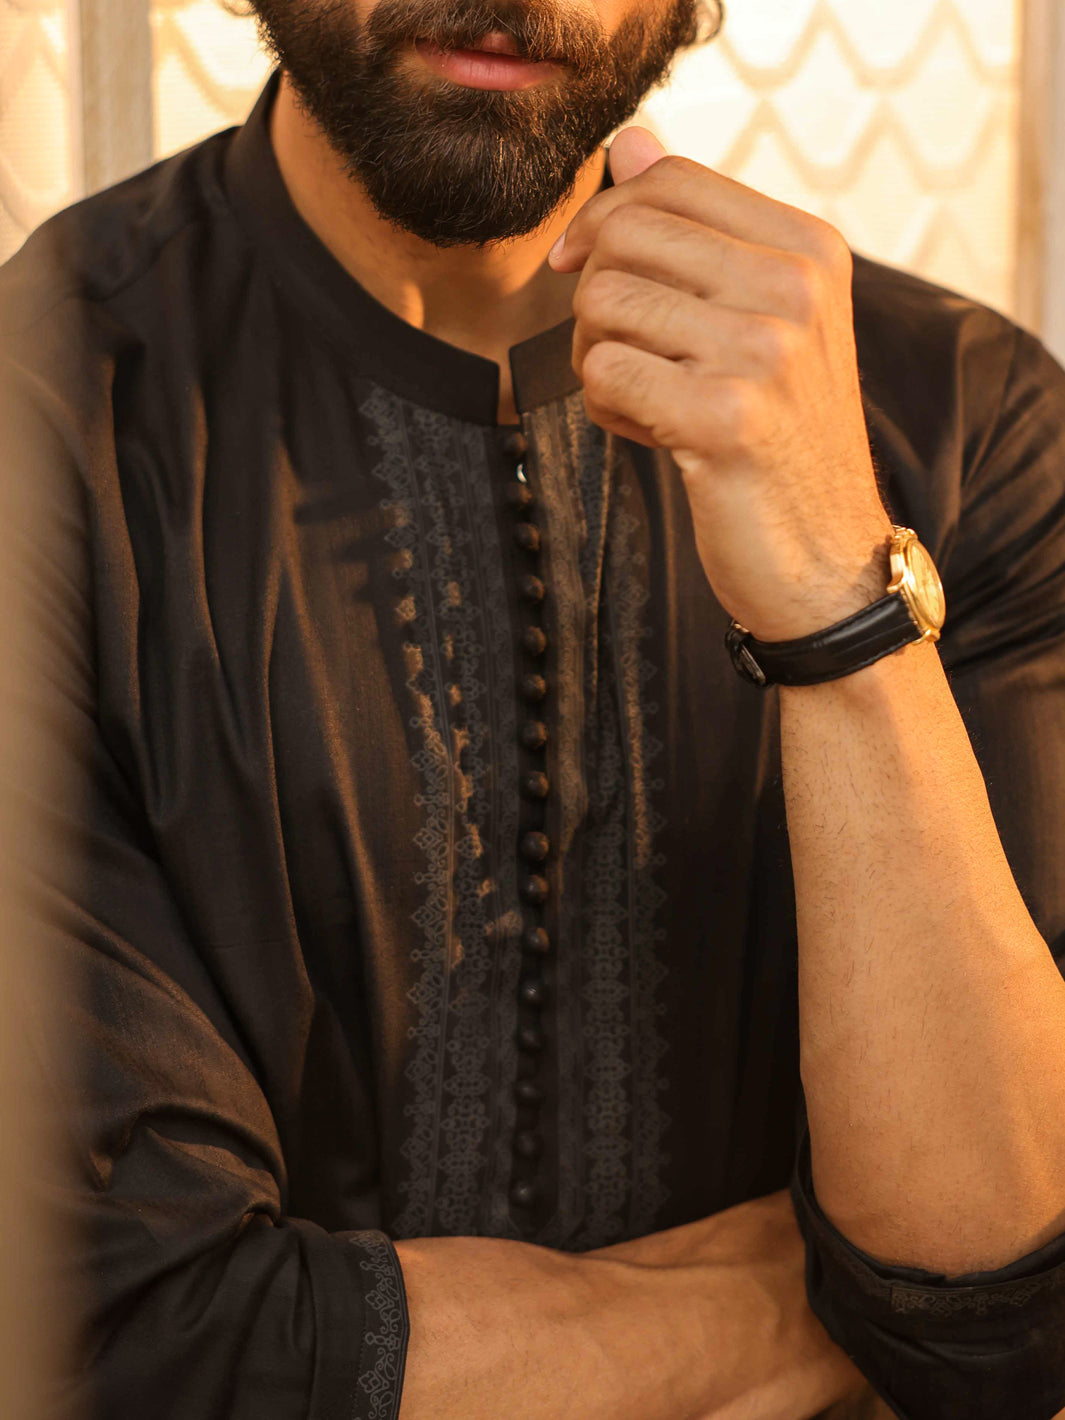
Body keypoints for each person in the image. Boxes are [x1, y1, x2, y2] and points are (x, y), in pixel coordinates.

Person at [3, 0, 1065, 1415]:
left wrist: (835, 590)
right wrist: (829, 1316)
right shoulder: (42, 430)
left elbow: (1000, 1296)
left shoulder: (966, 422)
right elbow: (138, 1345)